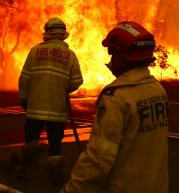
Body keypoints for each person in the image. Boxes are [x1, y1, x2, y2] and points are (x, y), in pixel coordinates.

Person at [61, 21, 169, 193]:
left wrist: (72, 189)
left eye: (113, 53)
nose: (111, 60)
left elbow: (99, 158)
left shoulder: (117, 97)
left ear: (124, 57)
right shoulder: (157, 90)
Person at [18, 17, 84, 172]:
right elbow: (77, 80)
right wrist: (62, 88)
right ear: (63, 35)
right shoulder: (70, 55)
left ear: (46, 33)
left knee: (31, 141)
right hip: (57, 111)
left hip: (35, 107)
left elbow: (24, 78)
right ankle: (54, 174)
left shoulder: (34, 51)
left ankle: (26, 173)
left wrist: (23, 98)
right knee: (55, 144)